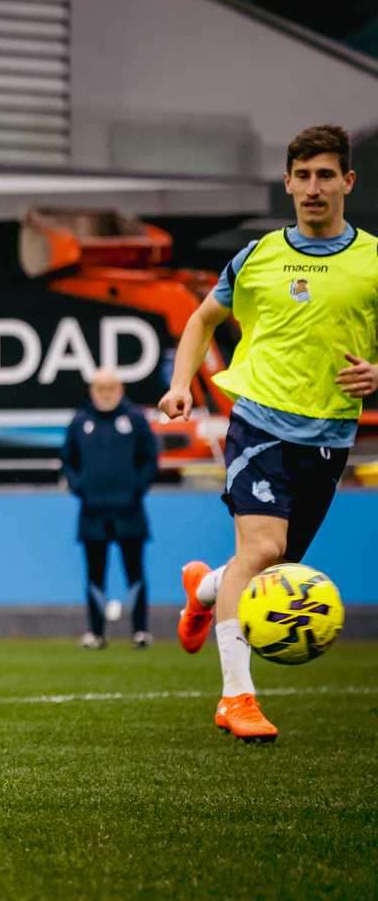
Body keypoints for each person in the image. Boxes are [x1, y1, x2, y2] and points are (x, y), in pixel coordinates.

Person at [160, 124, 377, 743]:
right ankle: (237, 698)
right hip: (258, 421)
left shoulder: (373, 260)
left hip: (329, 434)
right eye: (302, 176)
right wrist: (180, 385)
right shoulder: (257, 257)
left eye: (325, 175)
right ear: (287, 183)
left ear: (347, 182)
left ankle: (204, 588)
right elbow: (203, 319)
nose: (313, 187)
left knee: (274, 564)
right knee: (261, 551)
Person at [60, 369, 158, 650]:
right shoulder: (80, 421)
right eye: (100, 388)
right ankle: (96, 632)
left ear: (120, 389)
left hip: (129, 510)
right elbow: (68, 460)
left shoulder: (135, 419)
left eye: (110, 388)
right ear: (92, 391)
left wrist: (136, 489)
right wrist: (81, 488)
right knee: (95, 574)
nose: (105, 394)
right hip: (92, 512)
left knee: (135, 571)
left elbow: (150, 458)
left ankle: (140, 631)